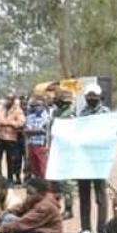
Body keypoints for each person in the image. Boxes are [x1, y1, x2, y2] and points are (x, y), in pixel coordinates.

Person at [76, 84, 111, 233]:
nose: (91, 98)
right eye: (89, 96)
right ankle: (85, 229)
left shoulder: (105, 112)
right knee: (84, 196)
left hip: (99, 159)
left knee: (100, 196)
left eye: (94, 96)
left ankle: (101, 229)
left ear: (99, 96)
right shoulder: (82, 113)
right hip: (83, 159)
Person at [51, 89, 76, 219]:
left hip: (67, 151)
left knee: (67, 183)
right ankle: (55, 207)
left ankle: (68, 208)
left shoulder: (71, 114)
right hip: (56, 149)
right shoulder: (55, 113)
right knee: (54, 181)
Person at [0, 93, 25, 181]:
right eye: (7, 98)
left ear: (13, 100)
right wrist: (0, 122)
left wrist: (8, 123)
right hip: (0, 137)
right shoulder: (1, 109)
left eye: (10, 99)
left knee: (10, 160)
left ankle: (10, 179)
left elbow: (21, 123)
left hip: (11, 138)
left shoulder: (18, 110)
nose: (8, 100)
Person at [23, 97, 50, 179]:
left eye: (38, 105)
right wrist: (37, 130)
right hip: (31, 144)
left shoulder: (47, 117)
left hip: (42, 145)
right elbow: (26, 130)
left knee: (43, 167)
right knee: (34, 168)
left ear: (43, 106)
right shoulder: (30, 117)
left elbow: (44, 131)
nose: (36, 107)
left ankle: (45, 186)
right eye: (34, 106)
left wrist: (33, 130)